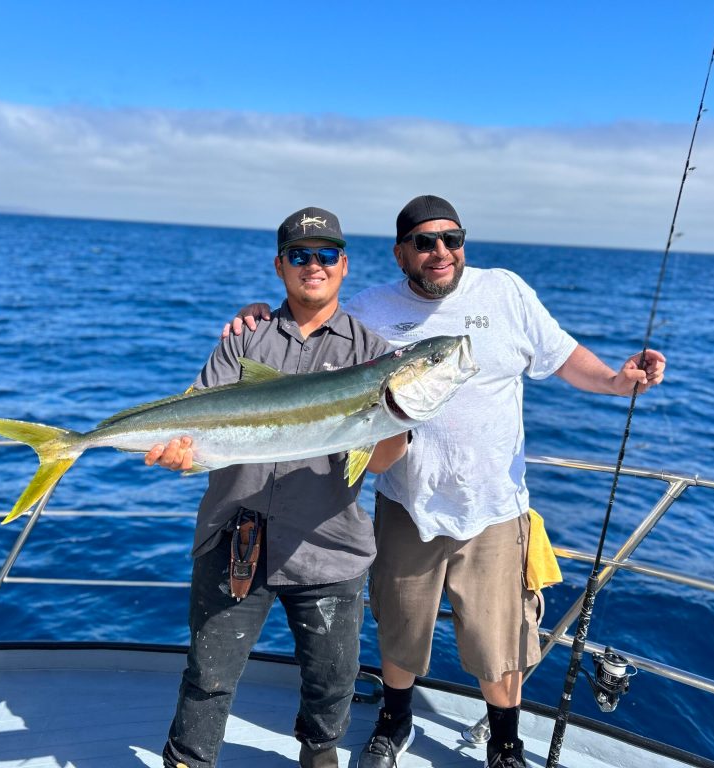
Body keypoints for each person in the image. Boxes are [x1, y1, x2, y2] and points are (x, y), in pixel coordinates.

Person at [223, 195, 666, 768]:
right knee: (401, 626)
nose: (440, 252)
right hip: (406, 502)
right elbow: (311, 325)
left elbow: (559, 356)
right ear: (400, 253)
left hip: (495, 507)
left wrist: (615, 379)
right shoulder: (369, 309)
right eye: (425, 242)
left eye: (451, 239)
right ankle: (394, 719)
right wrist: (262, 313)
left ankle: (505, 740)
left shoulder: (505, 291)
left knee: (498, 639)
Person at [145, 206, 408, 768]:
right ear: (280, 265)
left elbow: (383, 459)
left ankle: (319, 758)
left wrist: (393, 415)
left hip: (329, 546)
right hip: (234, 537)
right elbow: (194, 417)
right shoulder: (245, 339)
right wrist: (179, 453)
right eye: (299, 255)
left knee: (331, 682)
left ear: (344, 265)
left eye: (326, 254)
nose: (313, 265)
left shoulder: (373, 355)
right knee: (207, 676)